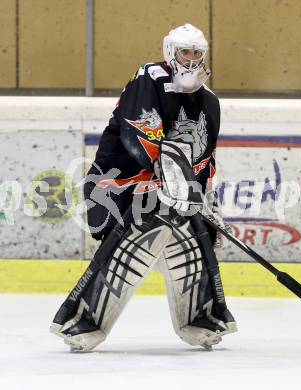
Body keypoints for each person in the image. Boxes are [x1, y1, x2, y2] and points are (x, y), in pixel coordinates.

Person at [50, 23, 237, 351]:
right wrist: (170, 176)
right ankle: (81, 321)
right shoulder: (149, 78)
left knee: (193, 241)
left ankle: (200, 317)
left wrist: (209, 204)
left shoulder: (209, 102)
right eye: (184, 52)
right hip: (119, 186)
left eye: (197, 53)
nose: (191, 59)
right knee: (138, 236)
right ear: (170, 51)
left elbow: (205, 161)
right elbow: (139, 135)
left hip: (171, 191)